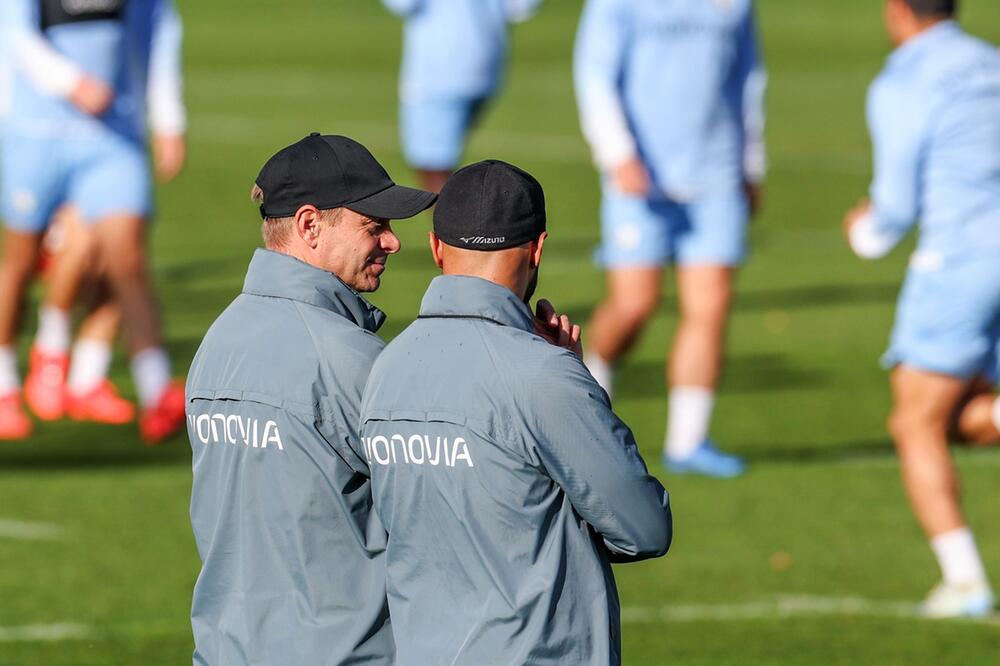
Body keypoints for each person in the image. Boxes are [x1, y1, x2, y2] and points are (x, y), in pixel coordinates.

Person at [357, 160, 672, 665]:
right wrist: (577, 381)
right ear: (538, 248)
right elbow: (643, 529)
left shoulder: (383, 367)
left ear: (437, 248)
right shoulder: (543, 377)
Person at [186, 133, 436, 665]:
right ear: (308, 225)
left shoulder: (217, 343)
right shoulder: (353, 361)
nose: (392, 242)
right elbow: (444, 523)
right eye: (374, 226)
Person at [844, 0, 1000, 618]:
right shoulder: (992, 63)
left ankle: (965, 581)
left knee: (916, 423)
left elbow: (895, 204)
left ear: (897, 11)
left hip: (960, 263)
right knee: (963, 413)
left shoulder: (905, 78)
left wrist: (865, 232)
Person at [574, 0, 766, 477]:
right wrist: (617, 152)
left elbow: (748, 76)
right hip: (640, 175)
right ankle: (592, 388)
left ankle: (688, 441)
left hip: (715, 172)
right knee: (635, 305)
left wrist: (751, 161)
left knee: (711, 306)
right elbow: (594, 72)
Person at [0, 0, 187, 443]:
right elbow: (14, 33)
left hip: (112, 135)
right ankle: (5, 385)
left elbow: (157, 33)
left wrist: (168, 119)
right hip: (35, 134)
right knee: (21, 264)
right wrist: (70, 83)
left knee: (127, 259)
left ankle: (155, 391)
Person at [382, 0, 542, 193]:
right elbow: (521, 7)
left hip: (439, 68)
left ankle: (460, 221)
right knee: (443, 159)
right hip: (488, 64)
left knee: (432, 165)